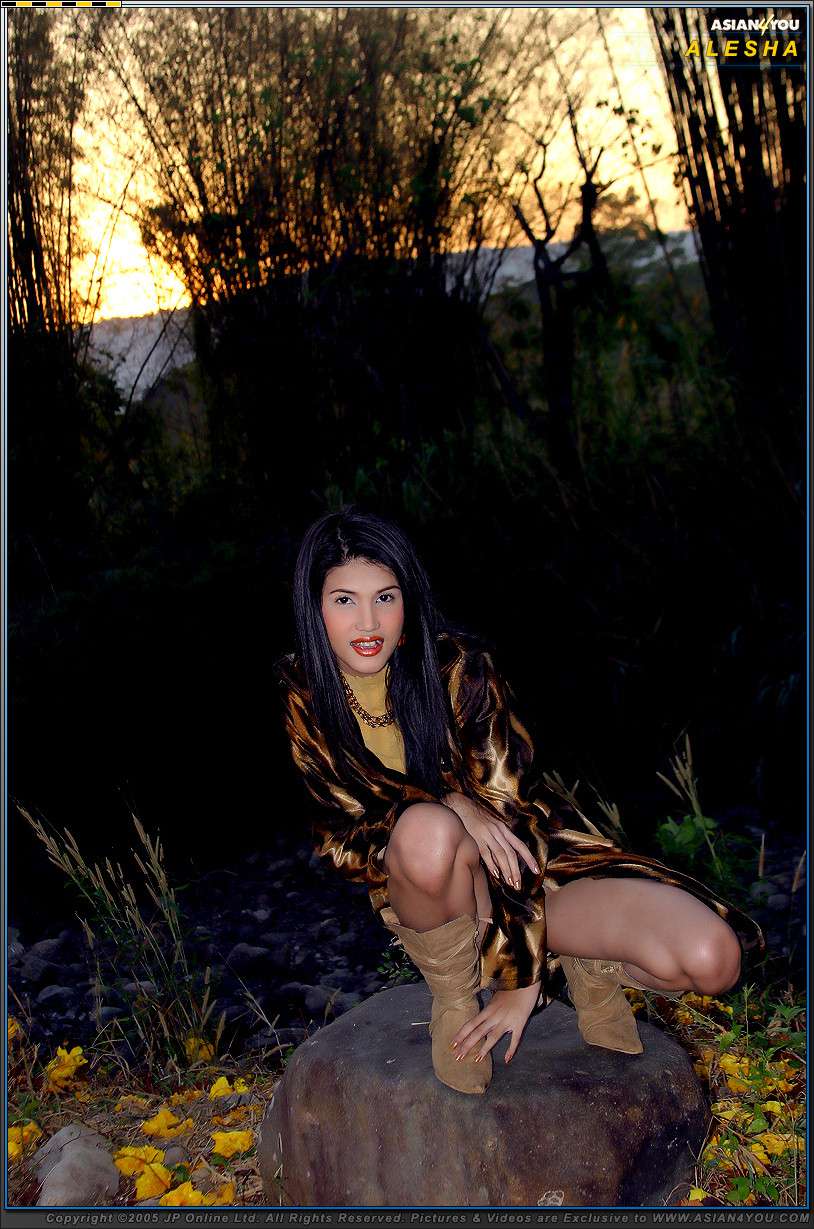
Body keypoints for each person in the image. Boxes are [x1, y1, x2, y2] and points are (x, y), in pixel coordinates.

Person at [277, 506, 765, 1095]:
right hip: (446, 897)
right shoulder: (305, 693)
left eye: (385, 597)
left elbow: (512, 818)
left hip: (535, 868)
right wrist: (453, 803)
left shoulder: (459, 669)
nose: (368, 621)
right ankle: (457, 997)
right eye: (344, 600)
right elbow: (345, 837)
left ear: (408, 600)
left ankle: (582, 960)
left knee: (714, 958)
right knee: (426, 830)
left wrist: (522, 980)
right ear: (315, 608)